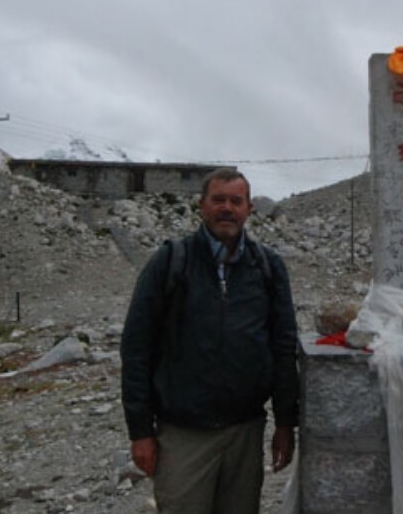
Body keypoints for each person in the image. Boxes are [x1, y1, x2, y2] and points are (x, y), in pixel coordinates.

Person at [120, 168, 300, 514]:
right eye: (218, 200)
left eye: (236, 201)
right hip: (183, 434)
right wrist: (140, 431)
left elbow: (282, 347)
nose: (227, 209)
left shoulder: (268, 267)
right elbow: (136, 348)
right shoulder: (171, 261)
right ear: (201, 206)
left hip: (245, 433)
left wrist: (285, 422)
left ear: (249, 208)